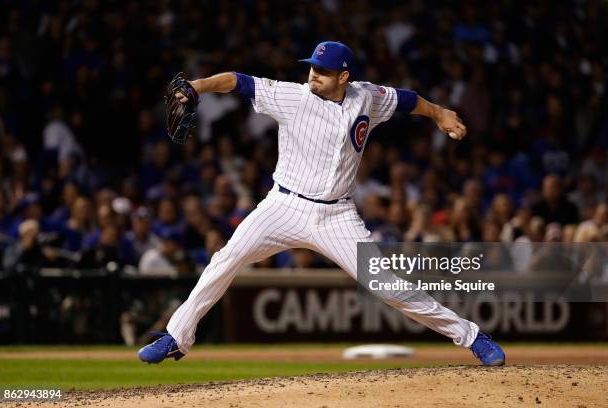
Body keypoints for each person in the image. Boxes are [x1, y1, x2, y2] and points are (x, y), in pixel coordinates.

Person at [139, 41, 505, 366]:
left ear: (344, 76)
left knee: (388, 286)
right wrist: (196, 87)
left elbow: (406, 100)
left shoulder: (366, 97)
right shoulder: (292, 96)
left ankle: (472, 337)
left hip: (337, 215)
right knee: (225, 259)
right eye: (312, 67)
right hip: (283, 207)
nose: (314, 75)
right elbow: (238, 80)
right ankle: (177, 337)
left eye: (323, 71)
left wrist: (439, 112)